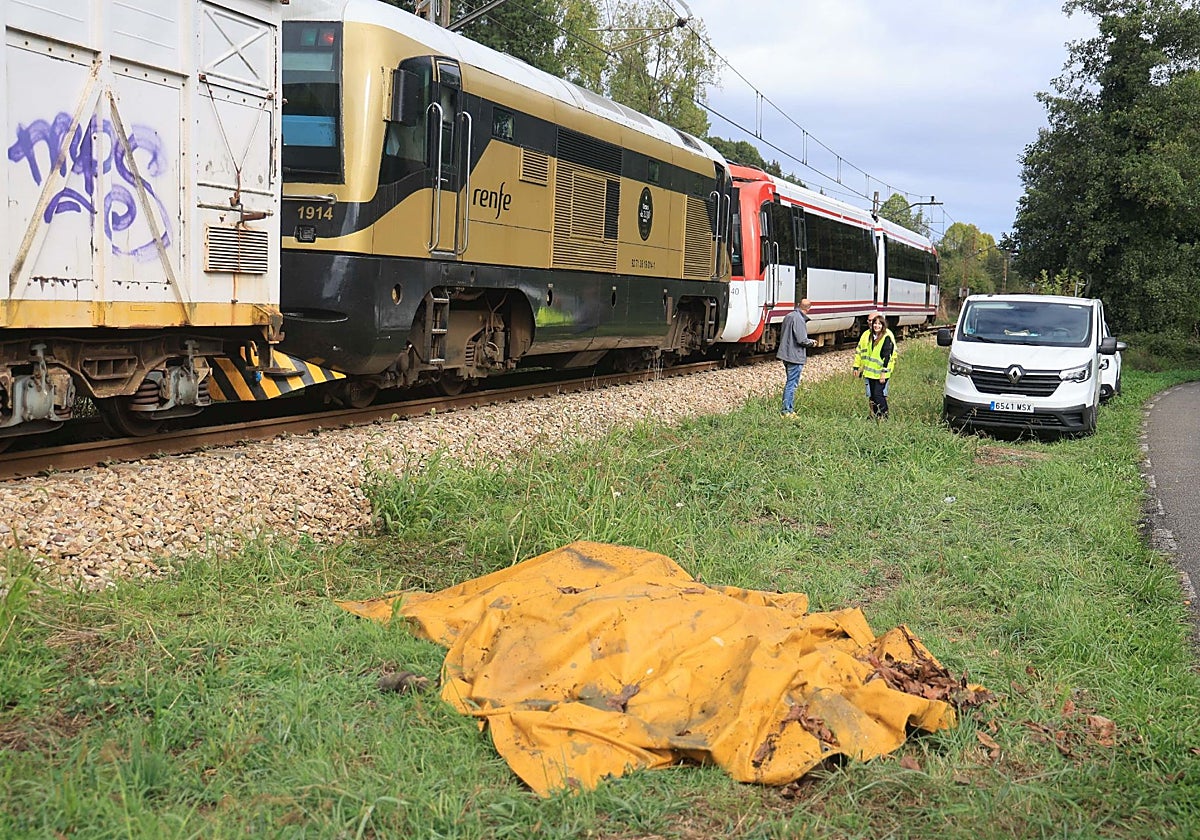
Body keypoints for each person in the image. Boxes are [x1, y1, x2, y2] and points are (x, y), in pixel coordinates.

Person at [853, 312, 897, 419]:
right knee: (872, 395)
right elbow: (860, 351)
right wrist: (856, 367)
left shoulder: (887, 336)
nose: (873, 324)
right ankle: (876, 415)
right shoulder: (867, 335)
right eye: (872, 322)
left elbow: (888, 356)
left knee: (879, 394)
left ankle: (884, 415)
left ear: (883, 324)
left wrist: (884, 372)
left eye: (878, 323)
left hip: (881, 372)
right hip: (869, 372)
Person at [777, 298, 815, 417]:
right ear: (808, 309)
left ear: (799, 305)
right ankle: (787, 411)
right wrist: (812, 342)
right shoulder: (799, 319)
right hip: (795, 356)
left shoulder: (789, 316)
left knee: (790, 382)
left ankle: (788, 409)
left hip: (786, 354)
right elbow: (802, 340)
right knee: (792, 384)